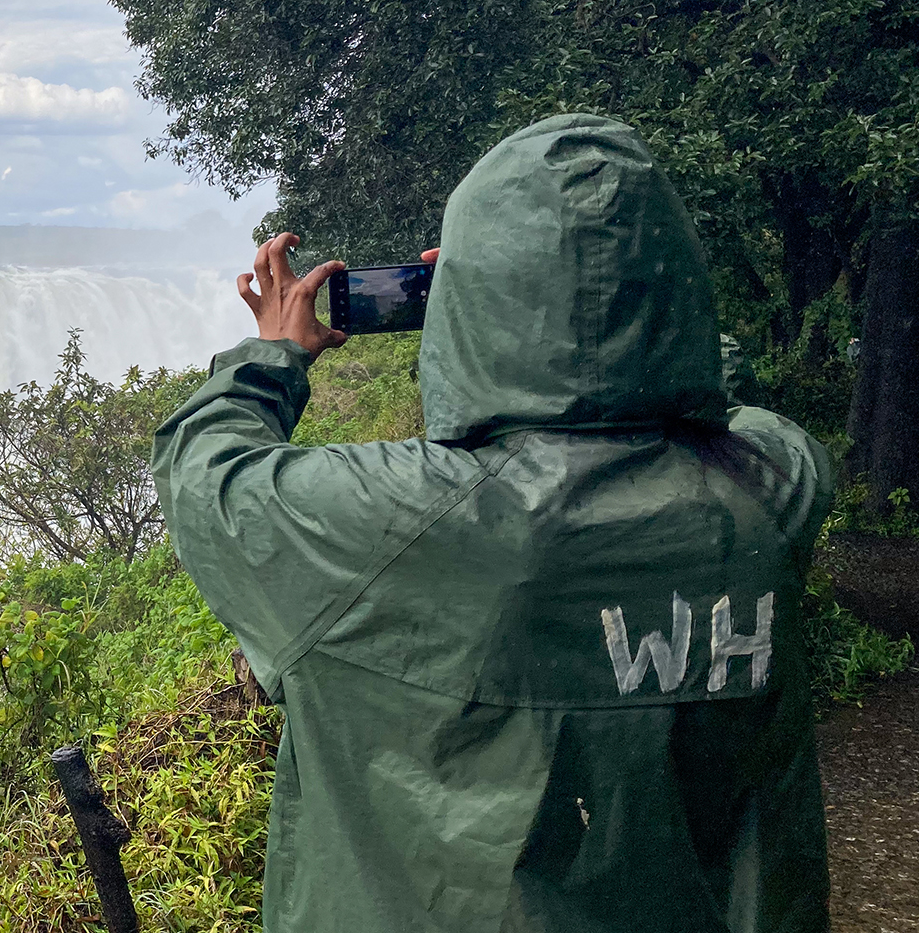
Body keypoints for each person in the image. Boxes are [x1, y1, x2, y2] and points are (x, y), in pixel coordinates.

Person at [152, 115, 833, 932]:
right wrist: (623, 310)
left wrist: (276, 353)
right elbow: (730, 403)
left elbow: (204, 472)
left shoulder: (396, 521)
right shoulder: (776, 488)